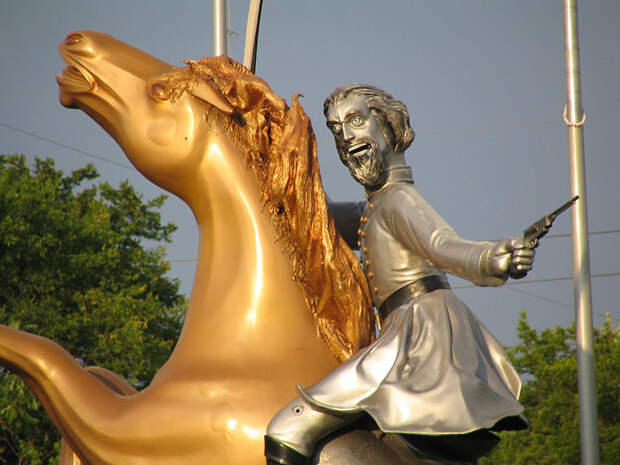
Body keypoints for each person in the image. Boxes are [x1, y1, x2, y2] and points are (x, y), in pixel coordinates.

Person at [264, 85, 535, 465]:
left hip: (418, 333)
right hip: (402, 331)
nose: (345, 136)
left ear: (390, 127)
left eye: (356, 121)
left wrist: (492, 258)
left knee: (289, 428)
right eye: (336, 129)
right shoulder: (373, 207)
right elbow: (317, 216)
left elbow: (443, 245)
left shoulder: (398, 200)